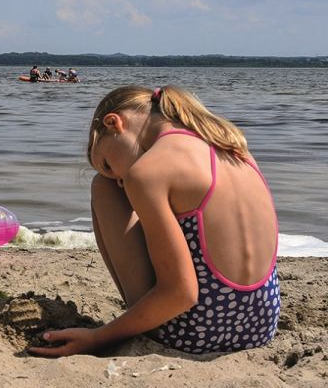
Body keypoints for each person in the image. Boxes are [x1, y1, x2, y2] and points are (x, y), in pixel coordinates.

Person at [30, 85, 280, 357]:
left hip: (194, 334)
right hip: (261, 327)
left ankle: (139, 319)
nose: (120, 181)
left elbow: (182, 293)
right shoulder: (233, 147)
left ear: (114, 123)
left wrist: (99, 337)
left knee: (103, 188)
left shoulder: (147, 172)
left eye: (108, 164)